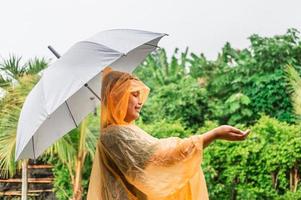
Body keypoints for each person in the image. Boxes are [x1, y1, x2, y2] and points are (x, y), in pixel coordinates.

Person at [87, 67, 250, 200]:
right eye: (134, 95)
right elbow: (165, 155)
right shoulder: (115, 135)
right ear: (118, 98)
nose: (140, 102)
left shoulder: (126, 131)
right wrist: (215, 134)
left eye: (140, 95)